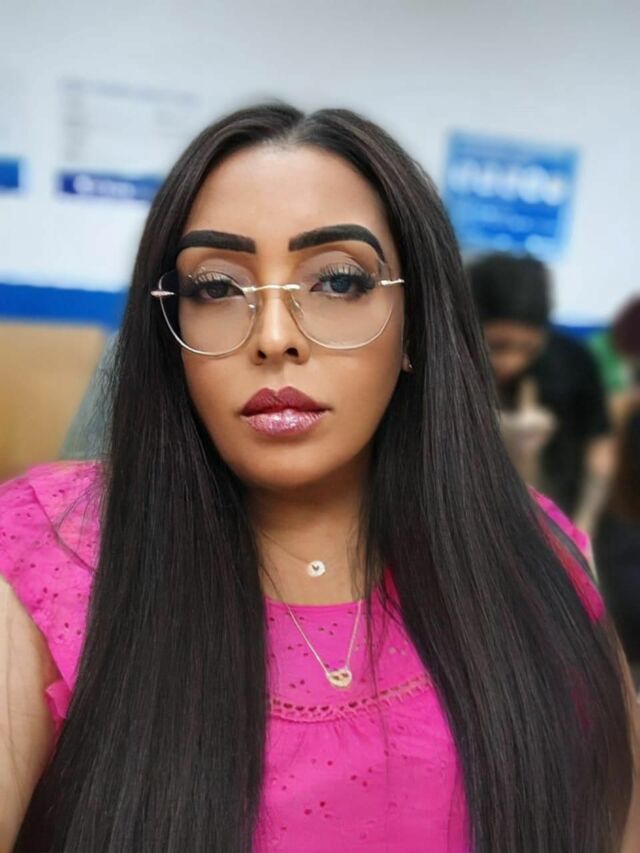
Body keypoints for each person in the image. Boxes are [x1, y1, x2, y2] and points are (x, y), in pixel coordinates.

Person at [1, 104, 638, 852]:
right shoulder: (48, 553)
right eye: (216, 288)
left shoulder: (535, 551)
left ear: (416, 324)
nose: (274, 338)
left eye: (337, 281)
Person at [467, 253, 615, 536]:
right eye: (497, 346)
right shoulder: (448, 364)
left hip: (555, 520)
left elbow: (599, 445)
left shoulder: (573, 361)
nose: (512, 362)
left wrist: (584, 526)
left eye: (528, 348)